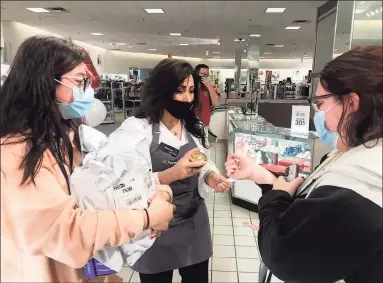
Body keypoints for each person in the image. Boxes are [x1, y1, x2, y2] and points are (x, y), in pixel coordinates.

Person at [0, 36, 174, 282]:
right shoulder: (16, 153)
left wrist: (155, 193)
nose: (87, 92)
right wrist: (145, 218)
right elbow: (65, 230)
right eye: (80, 81)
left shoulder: (65, 134)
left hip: (87, 271)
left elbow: (104, 186)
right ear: (44, 82)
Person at [225, 46, 382, 282]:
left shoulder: (360, 192)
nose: (316, 115)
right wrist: (263, 176)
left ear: (351, 103)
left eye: (321, 104)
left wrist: (273, 200)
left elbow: (282, 252)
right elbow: (308, 209)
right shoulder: (354, 157)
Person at [118, 58, 231, 283]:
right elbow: (123, 182)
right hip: (154, 227)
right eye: (179, 91)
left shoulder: (193, 126)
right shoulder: (136, 129)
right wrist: (171, 174)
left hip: (193, 221)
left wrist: (209, 175)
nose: (187, 98)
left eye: (191, 91)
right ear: (161, 90)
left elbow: (203, 160)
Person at [194, 64, 221, 129]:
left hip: (205, 124)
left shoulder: (209, 88)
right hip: (192, 123)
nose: (205, 77)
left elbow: (216, 104)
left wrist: (209, 86)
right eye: (202, 74)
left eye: (207, 75)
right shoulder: (191, 87)